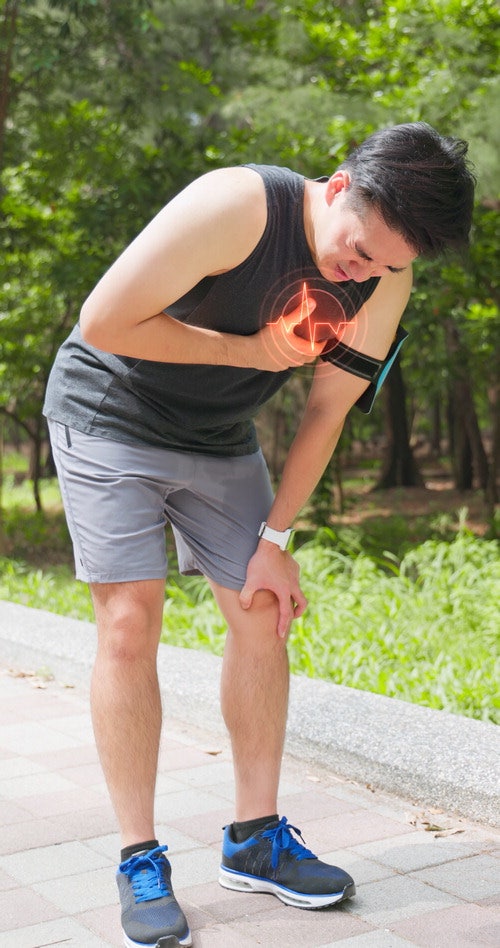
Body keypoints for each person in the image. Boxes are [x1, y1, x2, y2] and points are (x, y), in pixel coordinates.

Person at [43, 121, 475, 948]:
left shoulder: (389, 278)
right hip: (110, 413)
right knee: (130, 622)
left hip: (218, 438)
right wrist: (249, 349)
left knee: (261, 606)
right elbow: (103, 322)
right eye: (360, 252)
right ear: (342, 187)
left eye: (387, 264)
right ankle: (140, 857)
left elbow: (327, 407)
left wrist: (277, 535)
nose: (365, 271)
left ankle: (254, 840)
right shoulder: (237, 206)